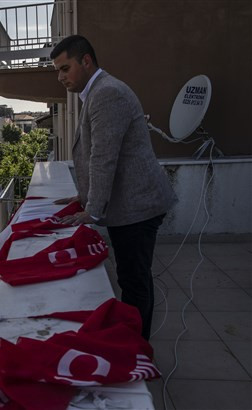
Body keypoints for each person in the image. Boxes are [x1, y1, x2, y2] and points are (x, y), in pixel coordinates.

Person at [50, 35, 176, 340]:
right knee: (135, 279)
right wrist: (83, 196)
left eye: (65, 68)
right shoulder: (96, 92)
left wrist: (91, 210)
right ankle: (137, 345)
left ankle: (136, 353)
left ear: (86, 61)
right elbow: (98, 152)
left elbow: (103, 157)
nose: (61, 77)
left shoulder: (106, 93)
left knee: (134, 283)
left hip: (136, 207)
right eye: (58, 71)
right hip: (131, 205)